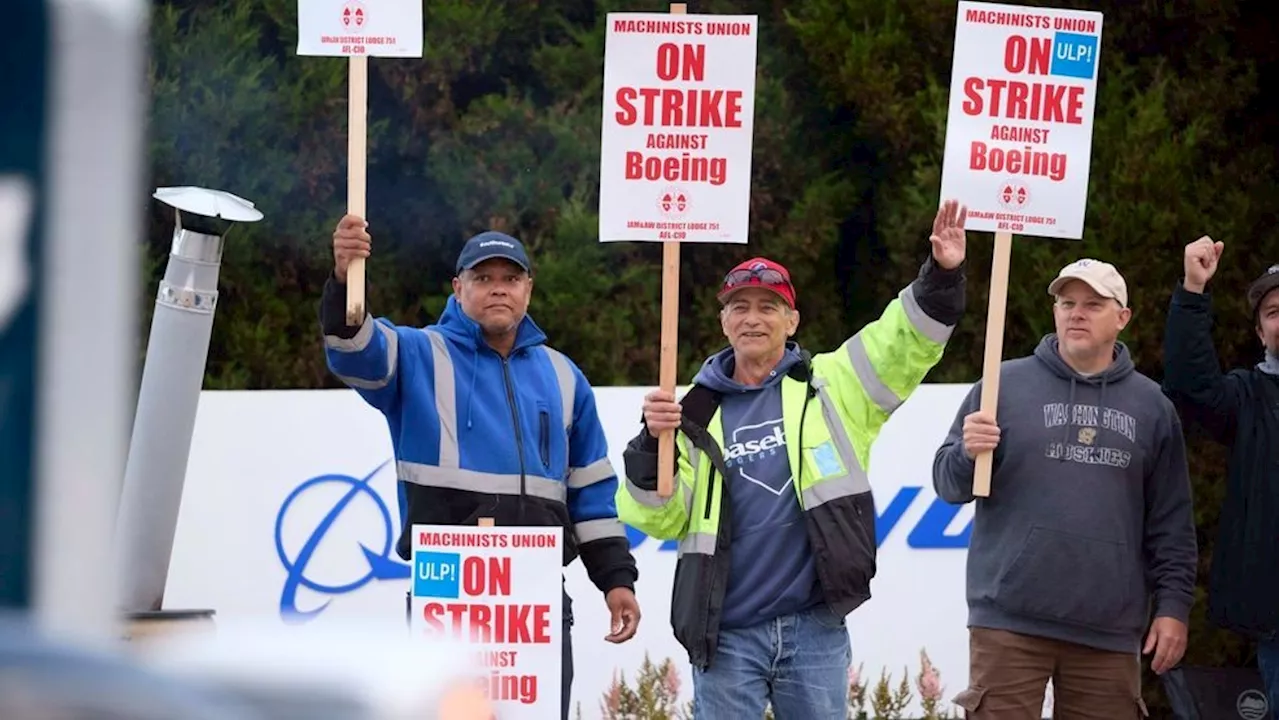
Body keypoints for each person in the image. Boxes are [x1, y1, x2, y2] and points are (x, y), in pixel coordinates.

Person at [617, 200, 970, 719]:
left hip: (815, 630)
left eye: (767, 307)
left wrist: (941, 274)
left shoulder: (832, 385)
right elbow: (660, 518)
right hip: (726, 634)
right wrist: (649, 445)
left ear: (792, 320)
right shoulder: (689, 410)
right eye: (740, 307)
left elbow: (905, 342)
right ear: (723, 321)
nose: (753, 318)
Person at [319, 215, 642, 719]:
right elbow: (353, 352)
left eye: (510, 279)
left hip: (536, 598)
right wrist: (345, 279)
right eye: (483, 278)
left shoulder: (564, 375)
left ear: (528, 289)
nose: (498, 290)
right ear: (458, 287)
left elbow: (591, 491)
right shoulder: (416, 352)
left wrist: (616, 579)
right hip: (448, 593)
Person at [932, 258, 1199, 719]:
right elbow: (948, 485)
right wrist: (965, 454)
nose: (1076, 313)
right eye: (1066, 302)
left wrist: (1173, 606)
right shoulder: (1001, 386)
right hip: (1009, 623)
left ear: (1123, 318)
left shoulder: (1152, 407)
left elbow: (1172, 523)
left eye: (1093, 304)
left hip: (1108, 634)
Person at [1162, 236, 1280, 711]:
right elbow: (1191, 387)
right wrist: (1193, 289)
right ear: (1260, 333)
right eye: (1273, 312)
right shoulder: (1247, 396)